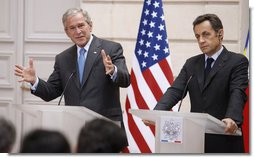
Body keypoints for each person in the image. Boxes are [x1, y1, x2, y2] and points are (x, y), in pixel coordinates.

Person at [14, 8, 130, 142]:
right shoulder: (63, 58)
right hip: (76, 128)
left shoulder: (111, 48)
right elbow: (51, 91)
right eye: (72, 28)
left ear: (90, 25)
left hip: (105, 127)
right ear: (67, 32)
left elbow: (126, 80)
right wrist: (35, 81)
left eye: (81, 25)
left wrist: (113, 70)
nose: (78, 31)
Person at [144, 14, 249, 153]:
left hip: (225, 137)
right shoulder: (191, 63)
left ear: (220, 34)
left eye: (206, 34)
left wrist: (232, 117)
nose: (201, 40)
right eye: (197, 36)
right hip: (195, 140)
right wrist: (156, 112)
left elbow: (237, 91)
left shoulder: (237, 61)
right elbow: (175, 91)